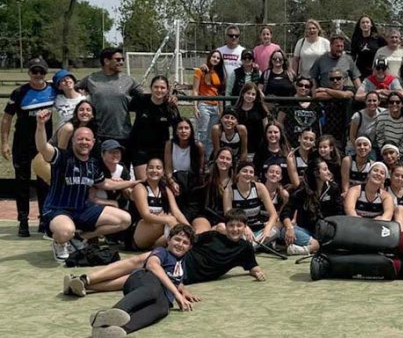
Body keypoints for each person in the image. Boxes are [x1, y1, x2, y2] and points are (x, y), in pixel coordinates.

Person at [63, 209, 264, 299]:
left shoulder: (244, 249)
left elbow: (251, 265)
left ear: (245, 227)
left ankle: (85, 287)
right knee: (140, 260)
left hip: (186, 274)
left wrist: (257, 272)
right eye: (231, 225)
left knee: (136, 277)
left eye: (239, 226)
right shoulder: (213, 235)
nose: (235, 229)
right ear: (226, 225)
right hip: (179, 258)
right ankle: (85, 278)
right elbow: (189, 241)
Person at [34, 109, 137, 262]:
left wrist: (131, 182)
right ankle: (59, 242)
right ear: (73, 141)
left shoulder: (93, 164)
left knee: (125, 219)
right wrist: (41, 125)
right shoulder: (62, 157)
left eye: (88, 140)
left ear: (93, 142)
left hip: (83, 209)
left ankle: (79, 237)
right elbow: (42, 147)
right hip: (58, 209)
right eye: (80, 139)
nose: (84, 142)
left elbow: (104, 183)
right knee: (64, 231)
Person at [87, 224, 198, 338]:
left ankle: (113, 331)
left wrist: (183, 290)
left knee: (162, 308)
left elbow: (174, 279)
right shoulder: (162, 252)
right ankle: (108, 315)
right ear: (169, 239)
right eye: (177, 239)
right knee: (153, 290)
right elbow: (152, 265)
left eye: (185, 243)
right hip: (142, 280)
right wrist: (176, 293)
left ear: (189, 247)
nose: (180, 244)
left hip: (160, 295)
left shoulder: (181, 262)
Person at [3, 57, 55, 236]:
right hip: (22, 145)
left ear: (46, 73)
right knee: (22, 183)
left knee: (44, 183)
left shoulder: (53, 90)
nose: (38, 75)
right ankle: (23, 220)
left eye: (41, 71)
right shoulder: (19, 92)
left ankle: (44, 219)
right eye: (35, 71)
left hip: (44, 146)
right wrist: (4, 143)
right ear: (29, 73)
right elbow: (7, 118)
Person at [76, 48, 144, 153]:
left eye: (122, 59)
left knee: (120, 168)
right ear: (106, 61)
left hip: (122, 134)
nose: (121, 62)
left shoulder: (128, 80)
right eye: (117, 59)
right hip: (98, 134)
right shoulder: (91, 79)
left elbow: (148, 95)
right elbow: (72, 88)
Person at [128, 75, 180, 180]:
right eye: (156, 87)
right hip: (140, 149)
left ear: (167, 89)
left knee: (158, 184)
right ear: (151, 88)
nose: (159, 90)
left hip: (159, 150)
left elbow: (177, 129)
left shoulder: (170, 107)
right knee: (143, 183)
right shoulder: (141, 100)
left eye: (162, 88)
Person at [132, 158, 189, 249]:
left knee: (178, 229)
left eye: (158, 168)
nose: (154, 170)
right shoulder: (140, 188)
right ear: (146, 171)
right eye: (151, 168)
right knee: (169, 219)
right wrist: (167, 219)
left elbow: (177, 212)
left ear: (163, 172)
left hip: (156, 236)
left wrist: (189, 229)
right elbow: (145, 215)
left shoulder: (165, 189)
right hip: (138, 235)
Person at [224, 161, 279, 247]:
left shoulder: (259, 187)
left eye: (251, 172)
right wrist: (245, 227)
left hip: (258, 228)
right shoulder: (229, 190)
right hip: (239, 229)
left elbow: (273, 214)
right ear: (238, 173)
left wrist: (267, 229)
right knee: (221, 228)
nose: (248, 174)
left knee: (276, 230)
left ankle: (250, 246)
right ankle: (257, 245)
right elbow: (228, 216)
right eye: (244, 171)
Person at [165, 119, 205, 215]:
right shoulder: (170, 144)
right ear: (176, 131)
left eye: (186, 128)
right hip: (175, 178)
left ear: (191, 130)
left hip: (191, 181)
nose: (183, 131)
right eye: (180, 128)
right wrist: (171, 182)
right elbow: (168, 167)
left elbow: (201, 169)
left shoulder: (198, 146)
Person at [192, 148, 234, 233]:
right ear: (216, 160)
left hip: (225, 218)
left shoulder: (236, 182)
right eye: (222, 157)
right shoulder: (205, 179)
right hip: (205, 216)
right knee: (202, 234)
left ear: (231, 163)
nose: (224, 161)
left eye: (228, 159)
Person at [193, 49, 225, 155]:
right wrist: (195, 106)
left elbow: (219, 92)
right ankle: (200, 158)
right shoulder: (199, 71)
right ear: (209, 57)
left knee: (212, 136)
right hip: (204, 105)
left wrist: (221, 110)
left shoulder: (219, 73)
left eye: (218, 58)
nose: (215, 59)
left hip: (215, 106)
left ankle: (208, 159)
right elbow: (195, 89)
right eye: (213, 57)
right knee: (202, 134)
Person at [315, 69, 356, 150]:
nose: (335, 81)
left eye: (338, 78)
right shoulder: (328, 89)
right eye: (332, 79)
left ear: (344, 79)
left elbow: (346, 95)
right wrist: (337, 94)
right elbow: (317, 95)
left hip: (346, 129)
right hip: (329, 129)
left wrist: (327, 90)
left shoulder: (350, 88)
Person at [252, 122, 300, 189]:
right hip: (266, 189)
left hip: (285, 190)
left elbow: (294, 175)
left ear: (280, 134)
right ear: (266, 134)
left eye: (275, 132)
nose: (273, 134)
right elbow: (255, 175)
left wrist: (292, 186)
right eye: (270, 132)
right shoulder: (260, 153)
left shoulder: (288, 153)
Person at [278, 76, 322, 142]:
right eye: (300, 85)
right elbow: (280, 121)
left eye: (307, 86)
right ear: (296, 86)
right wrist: (284, 139)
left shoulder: (315, 104)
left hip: (310, 141)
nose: (303, 88)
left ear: (310, 89)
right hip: (291, 139)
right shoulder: (288, 102)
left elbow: (319, 125)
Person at [373, 92, 403, 158]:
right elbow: (380, 137)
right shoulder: (381, 117)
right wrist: (386, 153)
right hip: (384, 152)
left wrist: (397, 155)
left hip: (400, 153)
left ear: (402, 104)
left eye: (397, 102)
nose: (394, 104)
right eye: (391, 102)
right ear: (388, 104)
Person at [234, 82, 269, 160]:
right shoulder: (236, 110)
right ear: (243, 94)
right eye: (248, 93)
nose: (250, 96)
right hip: (241, 147)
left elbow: (265, 126)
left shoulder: (260, 109)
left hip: (257, 145)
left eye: (253, 94)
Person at [349, 15, 387, 79]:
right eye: (363, 22)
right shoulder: (356, 39)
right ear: (359, 25)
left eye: (367, 22)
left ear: (371, 25)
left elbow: (387, 49)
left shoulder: (378, 38)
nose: (365, 24)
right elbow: (353, 54)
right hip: (360, 72)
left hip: (375, 70)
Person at [217, 25, 246, 100]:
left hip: (238, 88)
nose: (234, 37)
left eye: (236, 36)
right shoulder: (219, 51)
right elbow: (211, 65)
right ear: (226, 36)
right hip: (222, 87)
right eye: (231, 35)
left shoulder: (243, 51)